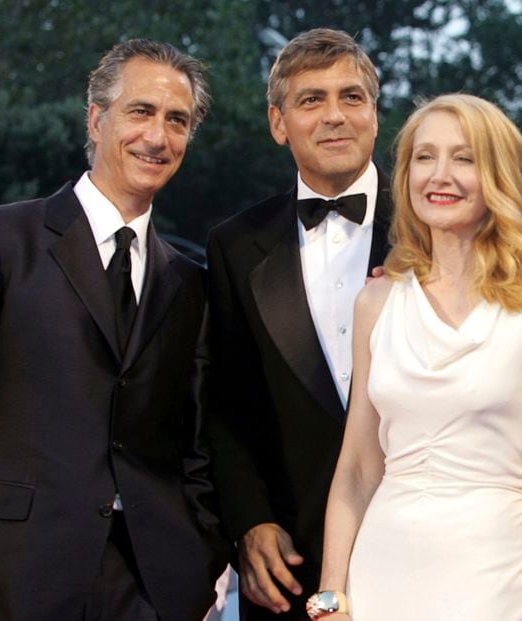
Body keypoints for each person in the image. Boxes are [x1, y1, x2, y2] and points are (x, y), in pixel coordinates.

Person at [0, 39, 225, 620]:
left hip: (150, 588)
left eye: (176, 120)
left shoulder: (190, 283)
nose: (157, 137)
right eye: (141, 111)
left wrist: (198, 565)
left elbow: (198, 446)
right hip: (9, 576)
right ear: (96, 118)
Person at [309, 93, 522, 621]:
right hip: (379, 576)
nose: (440, 175)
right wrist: (331, 596)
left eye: (464, 158)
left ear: (499, 176)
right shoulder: (376, 302)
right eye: (424, 156)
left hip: (498, 574)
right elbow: (358, 468)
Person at [206, 29, 391, 620]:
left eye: (352, 97)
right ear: (278, 122)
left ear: (375, 115)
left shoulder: (441, 225)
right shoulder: (234, 245)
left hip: (432, 546)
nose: (335, 116)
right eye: (312, 100)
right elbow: (227, 405)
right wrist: (249, 520)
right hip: (288, 567)